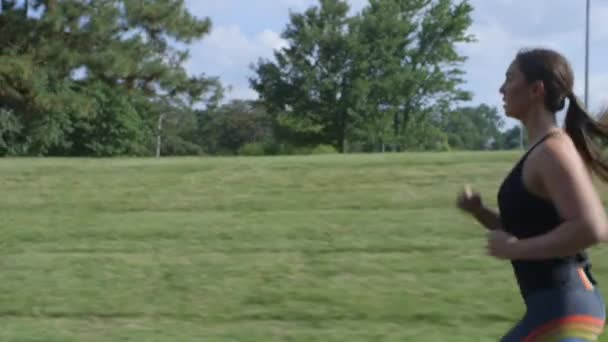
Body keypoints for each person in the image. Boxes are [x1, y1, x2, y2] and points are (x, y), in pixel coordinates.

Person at [457, 48, 608, 341]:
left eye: (510, 78)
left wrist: (514, 250)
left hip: (564, 307)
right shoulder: (543, 150)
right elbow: (529, 230)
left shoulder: (553, 151)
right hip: (557, 308)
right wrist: (481, 212)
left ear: (536, 90)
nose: (501, 88)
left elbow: (593, 228)